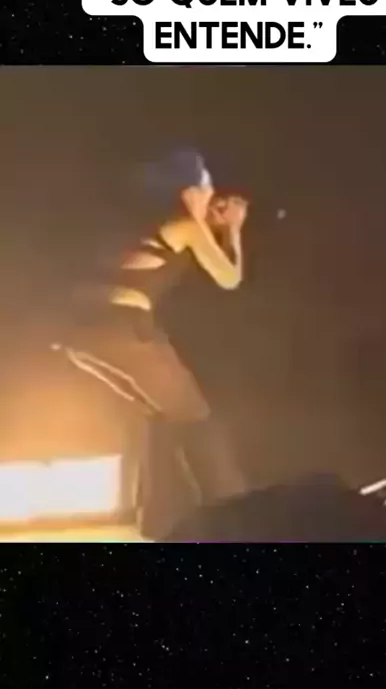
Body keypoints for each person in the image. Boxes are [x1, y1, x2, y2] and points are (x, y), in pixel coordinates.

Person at [54, 148, 249, 538]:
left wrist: (209, 223)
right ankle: (237, 517)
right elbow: (229, 278)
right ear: (191, 191)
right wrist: (233, 229)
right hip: (124, 328)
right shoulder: (185, 224)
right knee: (197, 418)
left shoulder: (147, 221)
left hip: (78, 330)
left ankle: (157, 518)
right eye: (208, 191)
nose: (213, 199)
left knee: (160, 415)